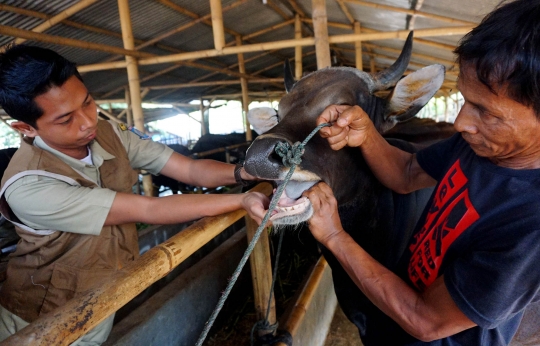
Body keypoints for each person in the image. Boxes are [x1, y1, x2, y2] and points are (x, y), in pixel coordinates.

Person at [302, 0, 540, 345]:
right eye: (465, 100)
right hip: (398, 306)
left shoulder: (531, 227)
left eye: (486, 112)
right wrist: (367, 133)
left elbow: (426, 320)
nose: (460, 123)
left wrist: (335, 236)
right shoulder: (479, 145)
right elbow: (407, 173)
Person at [0, 45, 269, 345]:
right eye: (65, 119)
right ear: (25, 127)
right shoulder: (29, 187)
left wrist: (244, 173)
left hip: (101, 295)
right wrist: (242, 200)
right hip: (40, 320)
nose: (88, 121)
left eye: (88, 102)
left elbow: (190, 170)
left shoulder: (110, 134)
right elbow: (150, 210)